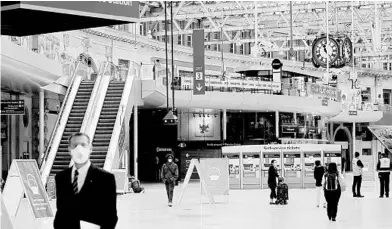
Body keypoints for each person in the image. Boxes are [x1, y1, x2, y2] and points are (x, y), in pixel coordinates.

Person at [54, 132, 118, 229]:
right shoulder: (61, 177)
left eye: (83, 145)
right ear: (69, 150)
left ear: (90, 149)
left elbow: (111, 216)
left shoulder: (105, 178)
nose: (79, 149)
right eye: (75, 145)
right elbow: (60, 211)